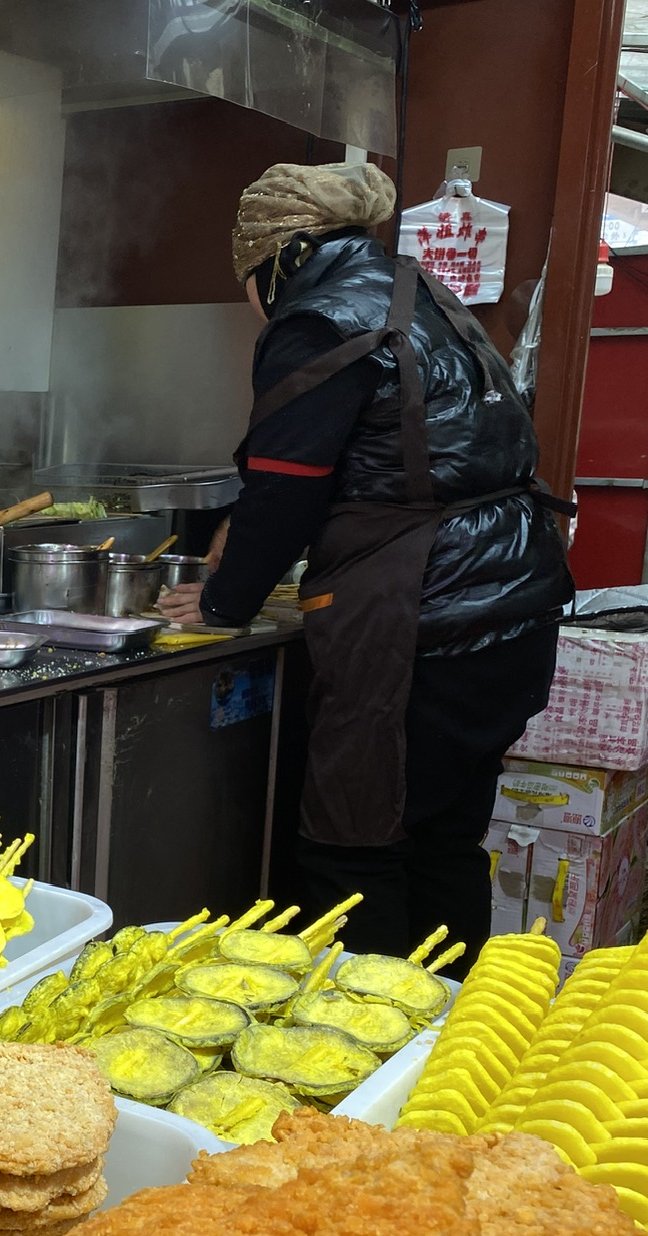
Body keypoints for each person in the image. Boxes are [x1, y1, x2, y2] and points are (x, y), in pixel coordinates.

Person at [161, 161, 574, 968]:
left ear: (281, 257)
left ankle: (364, 1039)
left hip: (420, 620)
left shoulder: (318, 320)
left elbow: (287, 490)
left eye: (250, 282)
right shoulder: (417, 293)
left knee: (353, 850)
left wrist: (222, 602)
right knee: (444, 839)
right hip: (512, 601)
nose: (255, 305)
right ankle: (449, 1028)